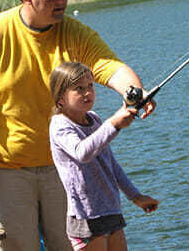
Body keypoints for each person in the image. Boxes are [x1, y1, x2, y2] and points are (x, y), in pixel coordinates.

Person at [0, 0, 156, 251]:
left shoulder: (73, 32)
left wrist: (134, 91)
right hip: (6, 170)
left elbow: (108, 66)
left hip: (64, 168)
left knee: (70, 246)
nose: (62, 1)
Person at [49, 62, 159, 251]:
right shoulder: (60, 125)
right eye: (79, 89)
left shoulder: (95, 119)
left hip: (111, 209)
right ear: (60, 99)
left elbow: (111, 165)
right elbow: (82, 152)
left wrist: (135, 196)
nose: (87, 93)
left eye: (91, 86)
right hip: (87, 217)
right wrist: (114, 123)